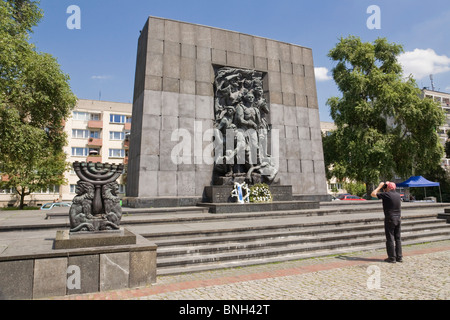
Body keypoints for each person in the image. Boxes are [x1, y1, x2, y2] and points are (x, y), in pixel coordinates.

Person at [371, 181, 403, 263]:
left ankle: (392, 258)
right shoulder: (397, 195)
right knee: (398, 238)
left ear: (388, 187)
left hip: (390, 218)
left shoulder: (387, 195)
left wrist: (379, 186)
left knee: (390, 238)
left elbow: (373, 194)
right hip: (398, 218)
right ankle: (399, 257)